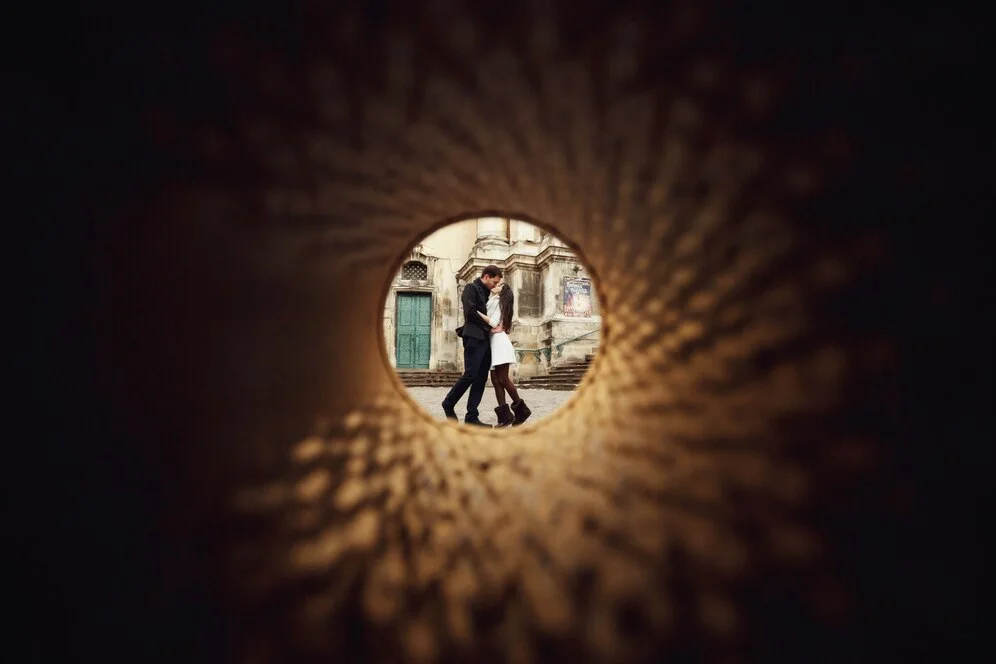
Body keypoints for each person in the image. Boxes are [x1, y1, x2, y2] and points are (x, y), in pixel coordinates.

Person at [441, 265, 503, 425]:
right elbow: (470, 313)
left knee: (481, 378)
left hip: (486, 339)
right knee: (470, 374)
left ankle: (472, 417)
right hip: (474, 337)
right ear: (486, 276)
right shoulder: (471, 288)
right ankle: (448, 403)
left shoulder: (489, 294)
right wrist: (489, 324)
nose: (495, 286)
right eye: (494, 282)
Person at [477, 282, 531, 427]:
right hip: (494, 343)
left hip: (499, 343)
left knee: (502, 379)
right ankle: (505, 417)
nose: (495, 285)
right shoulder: (494, 300)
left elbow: (494, 322)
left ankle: (522, 410)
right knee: (495, 380)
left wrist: (476, 312)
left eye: (499, 285)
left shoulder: (499, 303)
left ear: (503, 291)